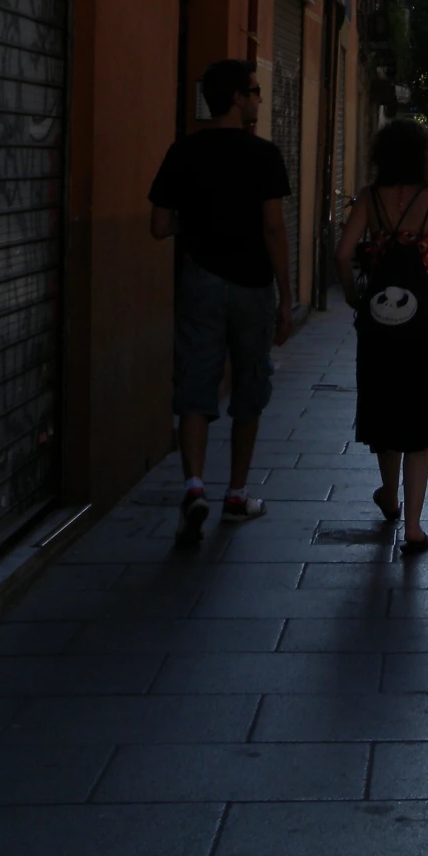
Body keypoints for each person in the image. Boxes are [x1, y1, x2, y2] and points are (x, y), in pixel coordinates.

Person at [148, 58, 293, 544]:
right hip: (252, 285)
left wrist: (197, 223)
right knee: (250, 387)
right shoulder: (264, 156)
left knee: (196, 381)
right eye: (253, 91)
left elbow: (160, 226)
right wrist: (287, 296)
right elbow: (274, 229)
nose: (257, 98)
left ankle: (193, 487)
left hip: (200, 281)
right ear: (236, 98)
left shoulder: (182, 152)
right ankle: (235, 494)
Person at [334, 119, 428, 552]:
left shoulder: (369, 199)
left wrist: (353, 296)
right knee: (421, 420)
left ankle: (389, 494)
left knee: (386, 407)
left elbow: (343, 253)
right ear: (423, 157)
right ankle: (415, 527)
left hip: (380, 324)